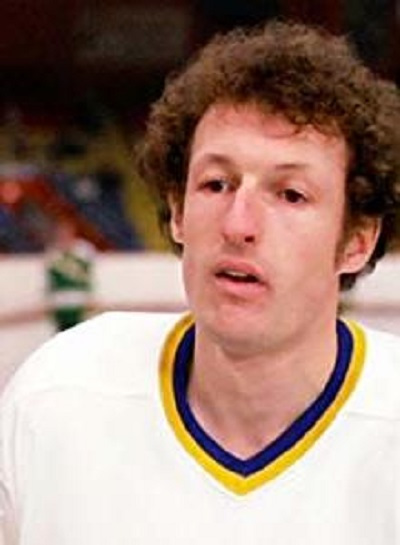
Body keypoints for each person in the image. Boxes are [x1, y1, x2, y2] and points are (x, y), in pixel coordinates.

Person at [1, 20, 400, 545]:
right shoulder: (58, 394)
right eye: (216, 184)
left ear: (358, 241)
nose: (238, 224)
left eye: (290, 194)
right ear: (177, 212)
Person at [44, 219, 96, 332]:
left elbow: (87, 273)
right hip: (60, 302)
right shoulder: (53, 252)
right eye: (60, 232)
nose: (63, 235)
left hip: (79, 300)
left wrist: (89, 296)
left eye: (66, 231)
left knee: (80, 333)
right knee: (62, 334)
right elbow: (51, 279)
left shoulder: (83, 249)